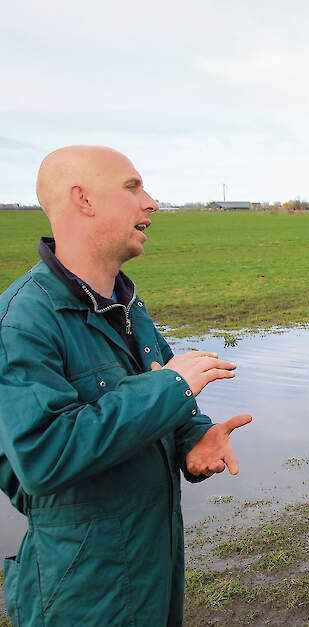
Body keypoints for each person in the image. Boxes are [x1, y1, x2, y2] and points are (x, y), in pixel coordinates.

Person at [0, 146, 252, 626]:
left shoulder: (128, 305)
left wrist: (192, 438)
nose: (151, 201)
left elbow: (159, 399)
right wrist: (173, 387)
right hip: (81, 589)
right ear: (84, 200)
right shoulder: (22, 322)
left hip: (153, 564)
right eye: (133, 187)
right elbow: (43, 455)